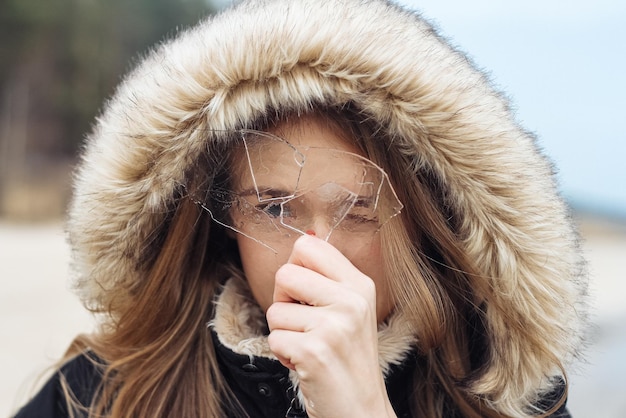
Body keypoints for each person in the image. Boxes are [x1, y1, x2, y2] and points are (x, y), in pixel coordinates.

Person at [13, 0, 588, 417]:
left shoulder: (508, 400)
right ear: (225, 219)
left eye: (360, 211)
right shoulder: (102, 394)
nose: (314, 253)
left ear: (421, 225)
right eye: (275, 208)